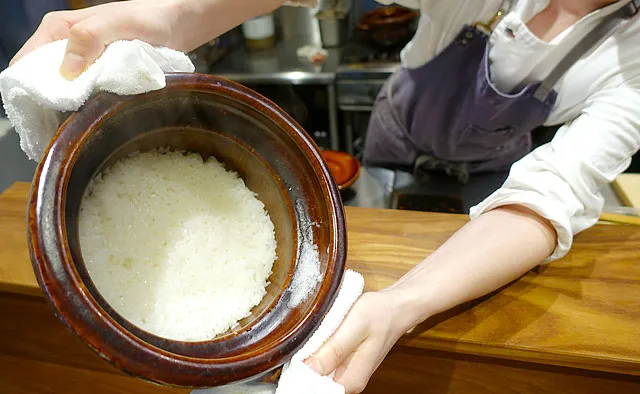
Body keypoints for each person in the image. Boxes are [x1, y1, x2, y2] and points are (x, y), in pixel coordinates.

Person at [9, 0, 640, 393]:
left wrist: (403, 303)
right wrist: (171, 14)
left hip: (488, 179)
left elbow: (548, 196)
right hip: (391, 149)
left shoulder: (631, 60)